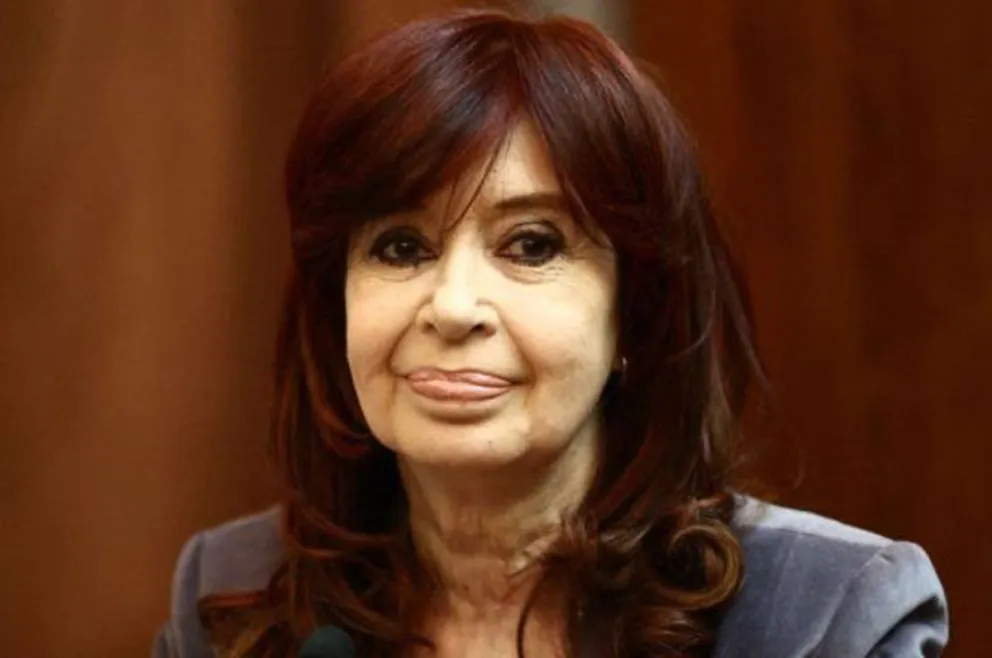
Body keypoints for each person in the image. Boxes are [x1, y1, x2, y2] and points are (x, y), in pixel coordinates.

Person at [152, 8, 948, 658]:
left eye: (531, 245)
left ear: (636, 312)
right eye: (400, 247)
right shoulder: (235, 595)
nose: (452, 306)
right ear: (339, 309)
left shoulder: (828, 618)